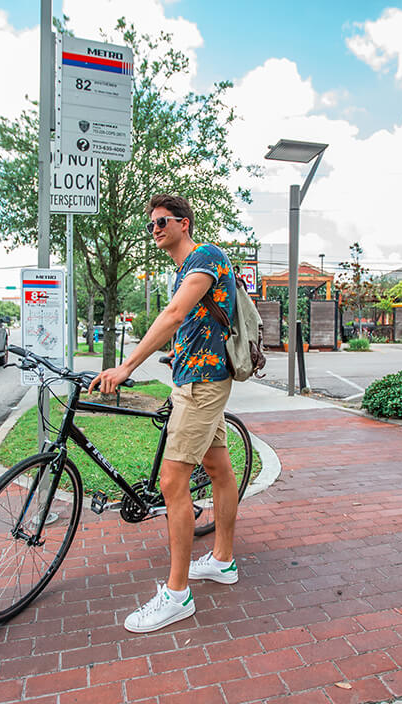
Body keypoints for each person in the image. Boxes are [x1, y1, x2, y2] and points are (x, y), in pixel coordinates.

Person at [88, 193, 240, 633]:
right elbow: (190, 324)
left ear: (184, 223)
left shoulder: (205, 257)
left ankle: (176, 596)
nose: (154, 229)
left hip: (204, 384)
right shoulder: (181, 272)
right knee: (218, 468)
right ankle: (223, 562)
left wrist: (127, 364)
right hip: (193, 378)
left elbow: (174, 315)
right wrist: (175, 356)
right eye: (150, 224)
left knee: (172, 479)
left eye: (162, 222)